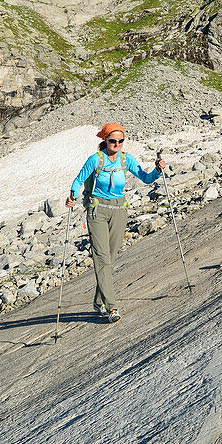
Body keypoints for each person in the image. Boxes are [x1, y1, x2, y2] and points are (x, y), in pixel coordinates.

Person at [66, 122, 165, 321]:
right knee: (102, 258)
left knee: (109, 260)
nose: (117, 144)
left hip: (120, 211)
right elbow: (78, 180)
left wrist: (158, 170)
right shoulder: (95, 160)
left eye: (121, 140)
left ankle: (98, 300)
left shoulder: (127, 159)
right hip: (98, 211)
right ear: (105, 140)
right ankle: (111, 307)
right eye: (113, 140)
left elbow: (146, 178)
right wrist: (72, 196)